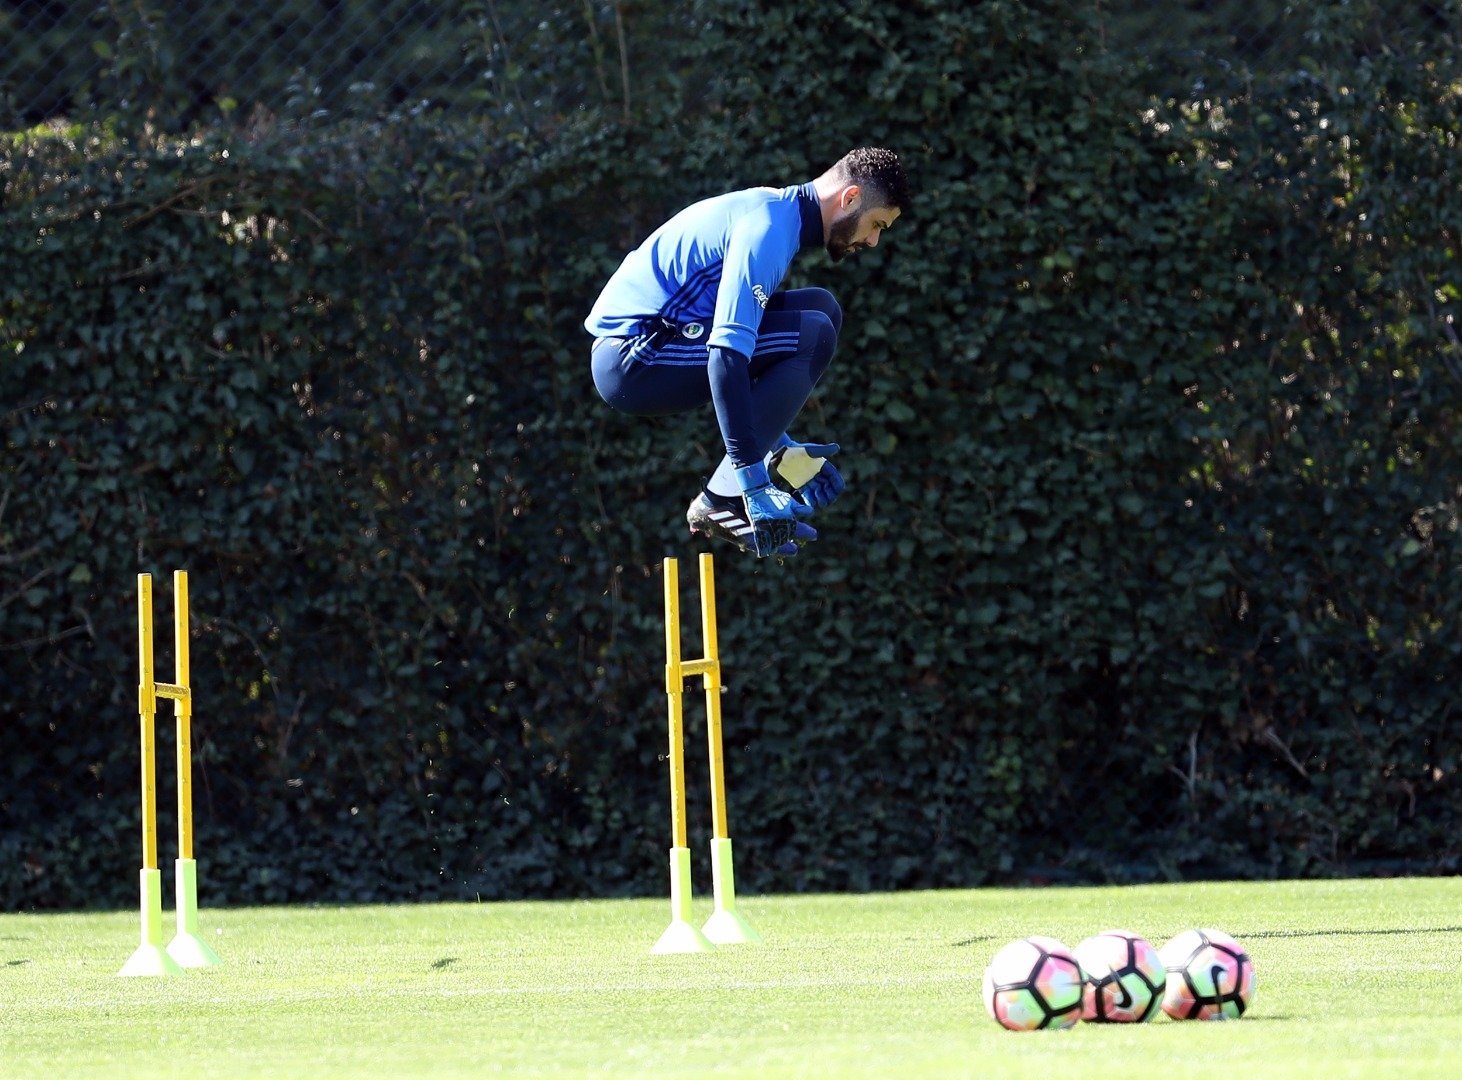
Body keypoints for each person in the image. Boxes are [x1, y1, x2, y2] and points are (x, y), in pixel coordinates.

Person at [585, 146, 911, 558]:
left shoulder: (779, 214)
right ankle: (719, 498)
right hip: (632, 358)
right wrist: (750, 483)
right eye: (877, 224)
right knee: (813, 334)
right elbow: (725, 356)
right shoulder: (770, 229)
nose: (874, 241)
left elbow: (744, 353)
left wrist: (782, 450)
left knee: (821, 308)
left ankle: (749, 475)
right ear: (849, 199)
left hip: (658, 341)